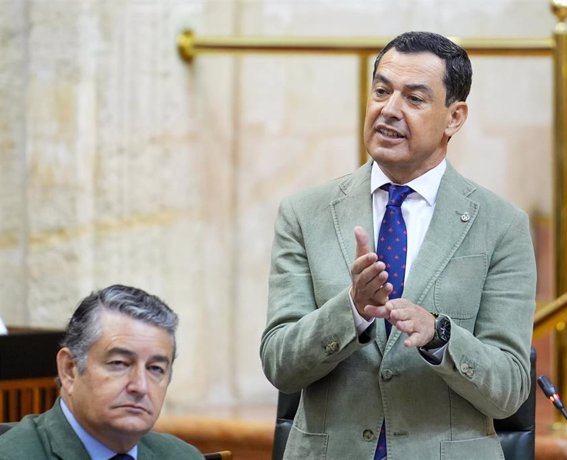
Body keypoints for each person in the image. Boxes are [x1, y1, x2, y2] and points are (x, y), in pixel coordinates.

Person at [260, 31, 537, 459]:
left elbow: (509, 391)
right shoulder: (305, 213)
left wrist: (439, 337)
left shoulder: (500, 226)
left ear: (454, 117)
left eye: (414, 98)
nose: (389, 110)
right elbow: (280, 364)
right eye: (381, 91)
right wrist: (349, 310)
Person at [0, 284, 204, 460]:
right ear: (69, 369)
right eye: (120, 363)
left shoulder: (182, 456)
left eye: (155, 369)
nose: (140, 386)